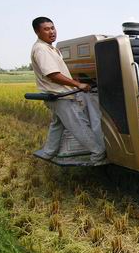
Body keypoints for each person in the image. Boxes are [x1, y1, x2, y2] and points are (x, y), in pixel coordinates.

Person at [30, 16, 106, 165]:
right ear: (37, 32)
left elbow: (58, 72)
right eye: (46, 29)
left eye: (52, 28)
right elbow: (52, 74)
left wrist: (74, 82)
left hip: (58, 95)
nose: (51, 32)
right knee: (79, 125)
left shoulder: (50, 48)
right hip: (60, 96)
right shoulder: (41, 49)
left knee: (57, 124)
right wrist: (77, 85)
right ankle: (98, 154)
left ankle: (48, 152)